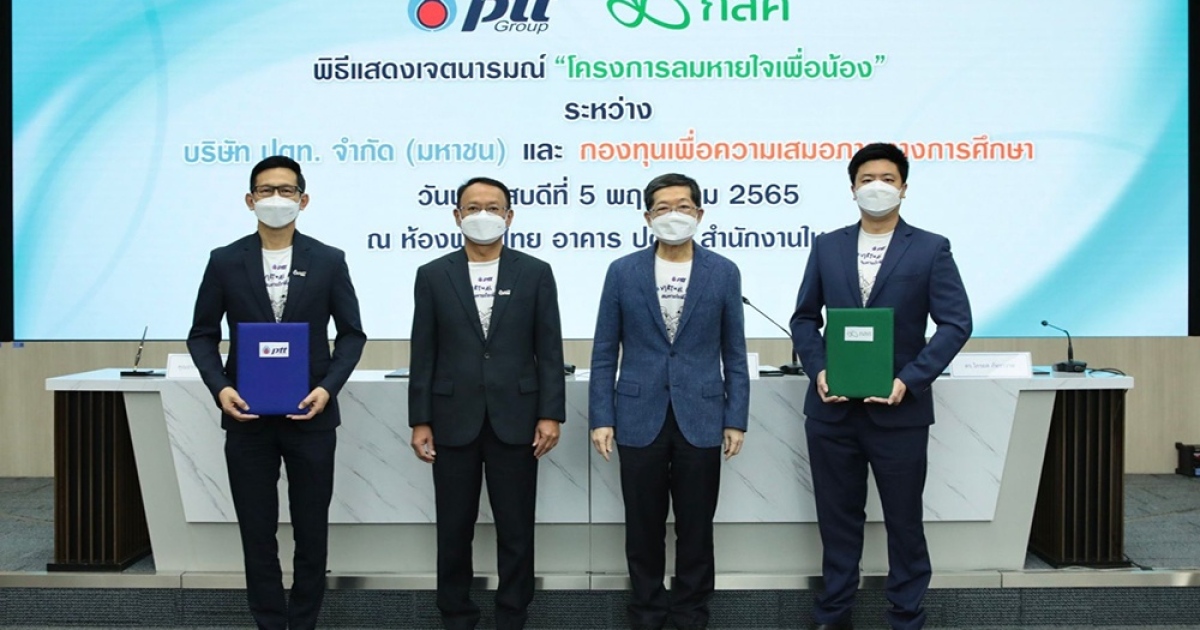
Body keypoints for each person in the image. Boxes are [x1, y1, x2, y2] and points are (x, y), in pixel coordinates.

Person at [789, 143, 972, 630]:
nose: (877, 187)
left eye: (887, 179)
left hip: (899, 412)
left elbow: (956, 323)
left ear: (904, 188)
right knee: (837, 520)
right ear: (852, 188)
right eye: (867, 178)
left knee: (904, 522)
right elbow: (804, 318)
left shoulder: (931, 248)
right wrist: (818, 369)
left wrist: (909, 379)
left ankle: (906, 616)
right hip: (832, 411)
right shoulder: (827, 246)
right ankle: (833, 614)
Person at [187, 155, 367, 630]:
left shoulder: (328, 260)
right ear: (250, 200)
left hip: (312, 416)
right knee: (256, 530)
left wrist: (327, 389)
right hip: (246, 417)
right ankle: (269, 621)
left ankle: (303, 621)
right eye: (266, 190)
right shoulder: (225, 260)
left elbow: (352, 335)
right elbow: (202, 335)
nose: (276, 199)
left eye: (286, 191)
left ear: (303, 200)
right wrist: (220, 388)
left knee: (311, 529)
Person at [589, 173, 750, 630]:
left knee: (696, 528)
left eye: (682, 206)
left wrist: (735, 417)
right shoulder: (623, 271)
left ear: (699, 213)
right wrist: (601, 416)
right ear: (647, 217)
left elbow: (735, 353)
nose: (673, 214)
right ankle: (646, 613)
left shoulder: (723, 271)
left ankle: (691, 614)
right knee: (643, 528)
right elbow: (605, 350)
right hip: (637, 415)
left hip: (702, 415)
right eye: (662, 207)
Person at [408, 176, 566, 630]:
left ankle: (512, 616)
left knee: (516, 531)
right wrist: (420, 420)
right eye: (473, 207)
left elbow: (549, 349)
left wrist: (550, 413)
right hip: (451, 420)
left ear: (509, 216)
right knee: (453, 530)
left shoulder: (534, 272)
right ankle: (456, 616)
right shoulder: (433, 274)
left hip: (517, 419)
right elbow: (423, 352)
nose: (483, 215)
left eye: (493, 207)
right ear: (457, 216)